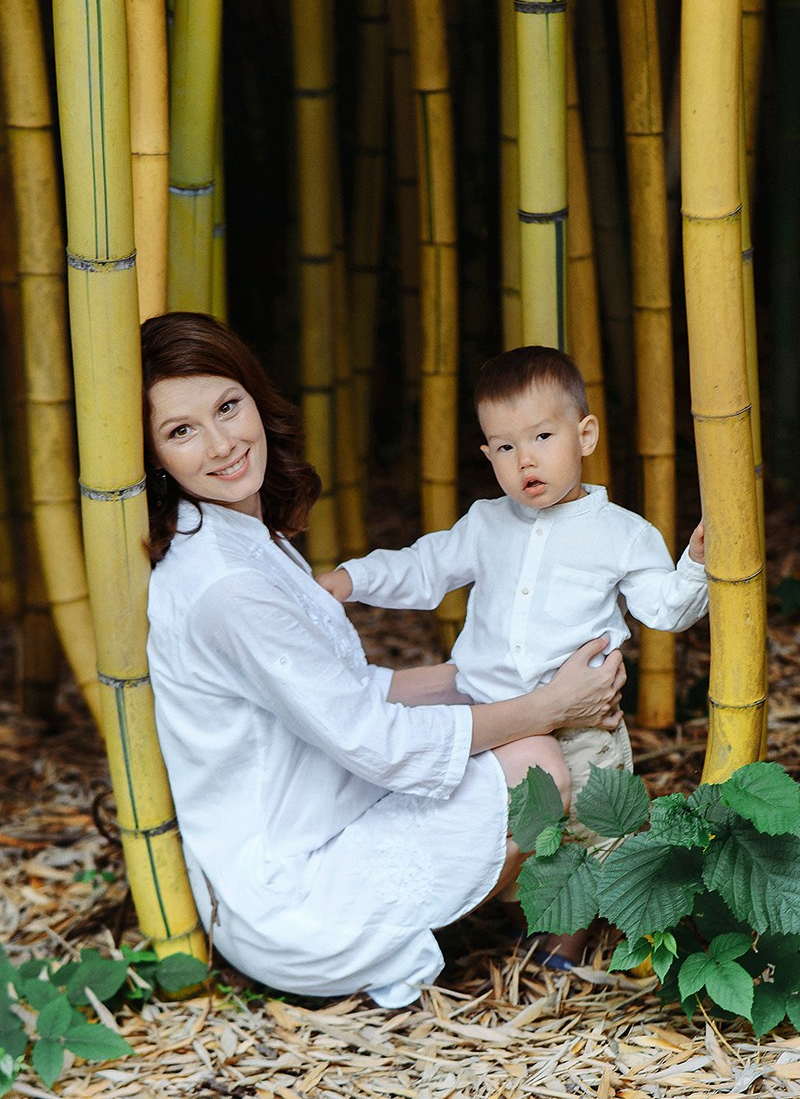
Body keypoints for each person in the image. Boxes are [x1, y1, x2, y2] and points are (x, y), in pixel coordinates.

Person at [142, 314, 626, 1008]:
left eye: (227, 407)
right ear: (155, 456)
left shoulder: (237, 532)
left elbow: (347, 693)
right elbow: (376, 739)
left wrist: (535, 673)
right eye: (182, 431)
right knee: (535, 765)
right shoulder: (226, 585)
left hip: (314, 819)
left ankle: (534, 890)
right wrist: (549, 705)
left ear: (254, 398)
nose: (223, 444)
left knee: (504, 709)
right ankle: (553, 933)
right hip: (295, 898)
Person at [318, 347, 708, 961]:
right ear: (486, 454)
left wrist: (696, 566)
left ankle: (569, 934)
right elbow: (425, 567)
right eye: (503, 446)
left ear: (584, 435)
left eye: (542, 437)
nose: (524, 459)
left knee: (586, 830)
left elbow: (665, 609)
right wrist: (350, 579)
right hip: (489, 718)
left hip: (580, 723)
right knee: (510, 828)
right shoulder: (486, 522)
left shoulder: (622, 532)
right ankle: (505, 910)